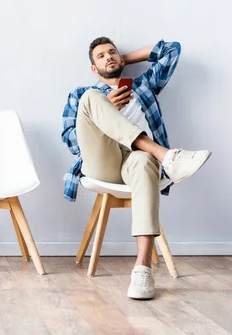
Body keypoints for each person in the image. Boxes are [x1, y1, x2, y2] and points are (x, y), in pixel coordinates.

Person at [61, 37, 211, 300]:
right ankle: (168, 157)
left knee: (143, 160)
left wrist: (124, 59)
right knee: (91, 98)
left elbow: (171, 50)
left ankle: (142, 269)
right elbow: (71, 140)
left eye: (112, 53)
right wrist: (105, 107)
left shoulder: (143, 86)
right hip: (102, 159)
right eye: (101, 56)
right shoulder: (82, 94)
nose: (108, 57)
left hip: (137, 160)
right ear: (93, 69)